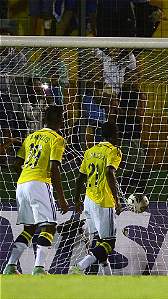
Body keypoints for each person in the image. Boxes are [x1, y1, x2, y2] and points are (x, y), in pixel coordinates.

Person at [3, 105, 69, 275]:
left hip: (22, 183)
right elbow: (54, 168)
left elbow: (16, 164)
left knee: (29, 228)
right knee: (50, 225)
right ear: (60, 120)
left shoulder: (30, 137)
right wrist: (61, 198)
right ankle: (39, 268)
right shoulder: (57, 138)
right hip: (39, 182)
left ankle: (10, 266)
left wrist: (26, 178)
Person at [69, 122, 122, 275]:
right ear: (113, 135)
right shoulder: (114, 151)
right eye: (117, 134)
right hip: (103, 201)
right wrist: (116, 201)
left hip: (88, 200)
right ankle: (80, 266)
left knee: (99, 241)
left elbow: (80, 178)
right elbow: (109, 173)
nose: (118, 137)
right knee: (109, 243)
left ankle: (107, 277)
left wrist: (77, 200)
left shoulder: (90, 151)